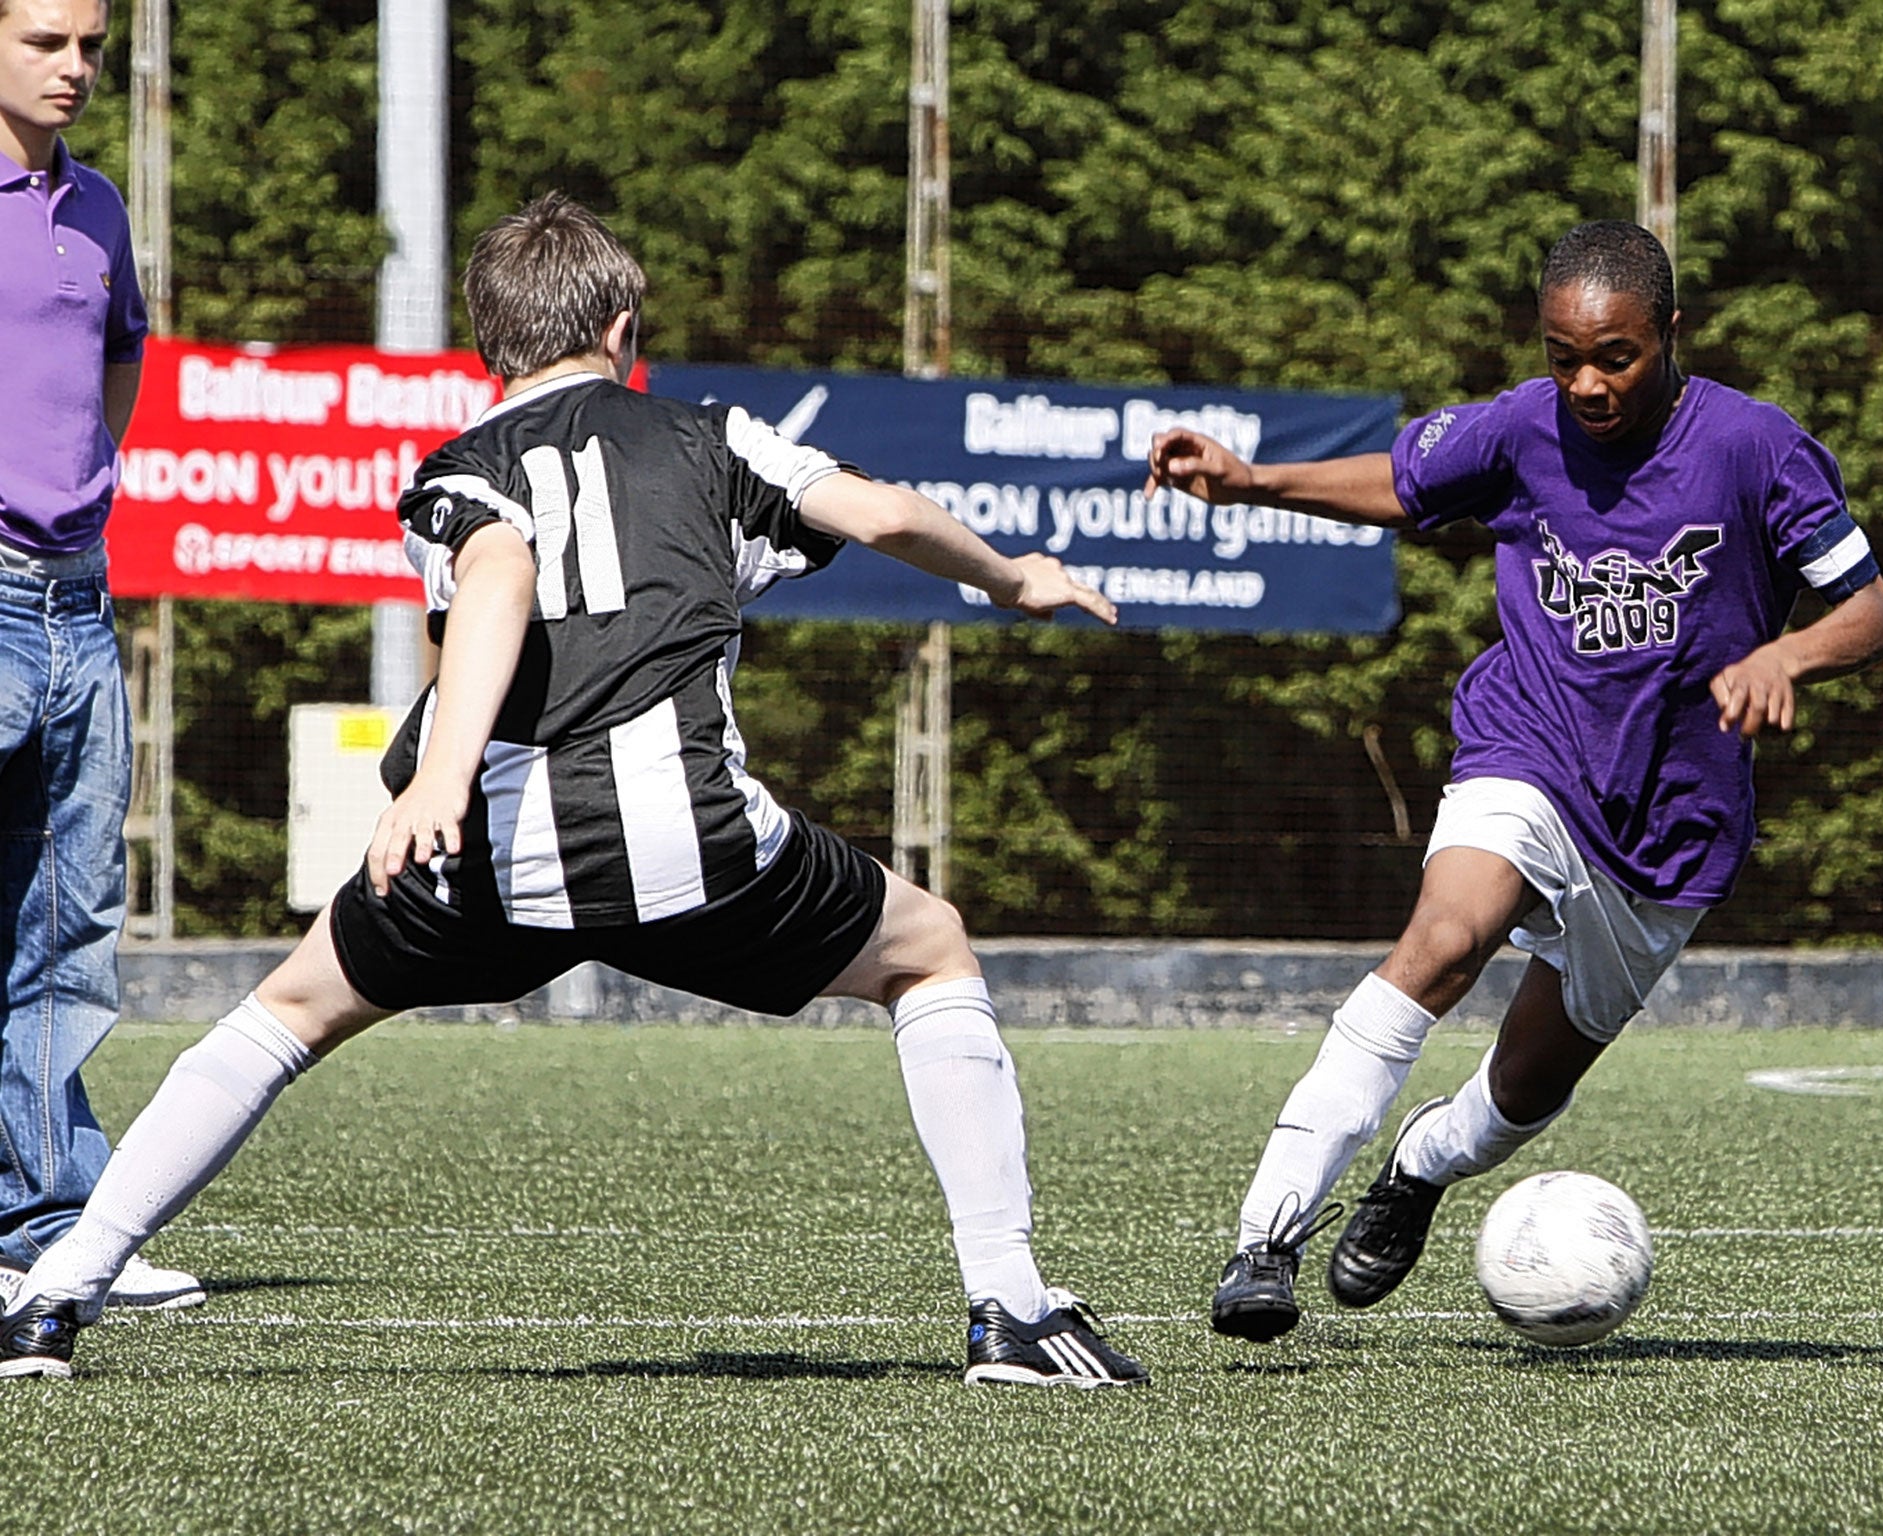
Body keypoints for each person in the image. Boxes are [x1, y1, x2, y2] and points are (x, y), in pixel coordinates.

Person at [0, 193, 1148, 1387]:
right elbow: (887, 512)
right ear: (620, 327)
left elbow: (495, 570)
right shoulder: (712, 439)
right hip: (691, 848)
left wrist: (439, 781)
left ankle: (54, 1301)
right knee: (930, 951)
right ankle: (1009, 1308)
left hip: (490, 860)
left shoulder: (453, 472)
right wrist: (1013, 580)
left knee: (284, 1014)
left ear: (489, 344)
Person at [1146, 219, 1883, 1343]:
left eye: (1614, 356)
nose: (1586, 383)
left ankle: (1416, 1170)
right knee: (1444, 941)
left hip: (1673, 828)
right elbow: (1400, 481)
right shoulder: (1520, 426)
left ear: (1671, 333)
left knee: (1519, 1096)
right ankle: (1264, 1242)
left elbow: (1870, 610)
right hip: (1529, 748)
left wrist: (1785, 654)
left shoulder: (1754, 447)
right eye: (1563, 356)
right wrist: (1253, 481)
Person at [0, 0, 203, 1311]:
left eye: (91, 45)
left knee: (66, 927)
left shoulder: (103, 207)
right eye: (45, 43)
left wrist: (84, 491)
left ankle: (53, 1224)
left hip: (81, 598)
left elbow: (122, 354)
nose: (77, 68)